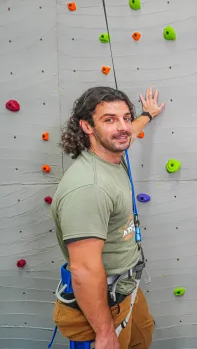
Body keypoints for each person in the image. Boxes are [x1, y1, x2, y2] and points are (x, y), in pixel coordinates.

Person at [51, 86, 165, 349]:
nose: (122, 127)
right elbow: (84, 270)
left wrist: (147, 115)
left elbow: (128, 132)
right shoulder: (90, 187)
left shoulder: (112, 152)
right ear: (87, 126)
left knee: (142, 336)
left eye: (125, 117)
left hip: (126, 288)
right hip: (104, 303)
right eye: (109, 119)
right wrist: (104, 332)